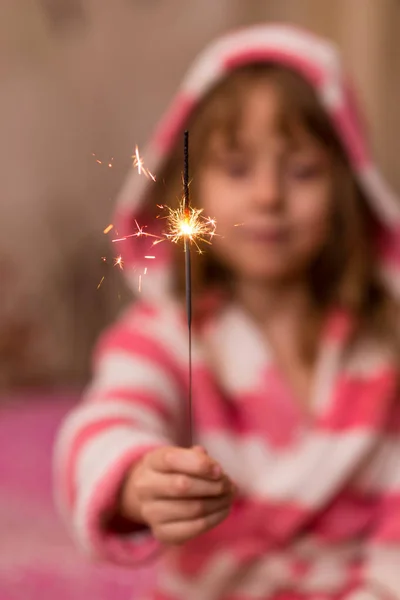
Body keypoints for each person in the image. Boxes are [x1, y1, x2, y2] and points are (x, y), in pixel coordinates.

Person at [54, 24, 400, 600]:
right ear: (189, 190)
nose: (268, 196)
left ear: (349, 189)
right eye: (237, 168)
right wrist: (137, 479)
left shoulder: (385, 348)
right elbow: (103, 424)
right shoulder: (163, 337)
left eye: (303, 171)